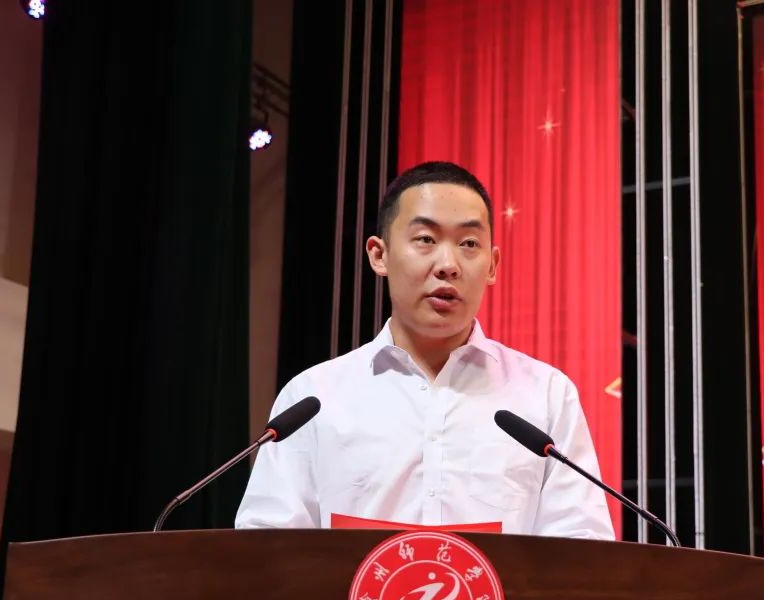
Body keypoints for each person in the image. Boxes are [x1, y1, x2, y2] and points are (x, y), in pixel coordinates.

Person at [236, 161, 614, 539]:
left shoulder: (545, 395)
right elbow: (267, 546)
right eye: (425, 240)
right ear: (379, 255)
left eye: (469, 244)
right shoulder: (313, 397)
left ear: (493, 265)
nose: (448, 265)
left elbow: (580, 546)